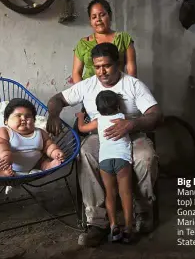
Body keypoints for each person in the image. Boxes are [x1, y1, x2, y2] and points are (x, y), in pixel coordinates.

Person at [47, 42, 162, 247]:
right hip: (99, 137)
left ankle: (143, 212)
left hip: (133, 135)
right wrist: (54, 114)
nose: (102, 72)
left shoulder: (133, 85)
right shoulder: (88, 85)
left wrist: (131, 124)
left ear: (117, 63)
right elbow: (57, 99)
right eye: (98, 66)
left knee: (145, 157)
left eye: (107, 66)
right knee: (86, 153)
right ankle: (97, 222)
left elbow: (155, 115)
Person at [76, 90, 134, 243]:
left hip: (105, 160)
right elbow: (136, 125)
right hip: (122, 158)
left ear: (98, 108)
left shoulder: (98, 120)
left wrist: (80, 117)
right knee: (125, 193)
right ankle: (128, 228)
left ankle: (114, 226)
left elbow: (82, 128)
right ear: (118, 106)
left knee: (110, 194)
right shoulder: (123, 118)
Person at [0, 98, 64, 177]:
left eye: (28, 116)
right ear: (6, 121)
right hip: (7, 164)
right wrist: (5, 154)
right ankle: (4, 173)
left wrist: (55, 152)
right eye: (18, 116)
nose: (23, 119)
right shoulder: (5, 131)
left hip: (35, 163)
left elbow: (49, 146)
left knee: (44, 162)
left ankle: (49, 166)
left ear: (34, 121)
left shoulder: (40, 132)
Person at [72, 0, 137, 84]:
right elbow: (76, 73)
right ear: (90, 21)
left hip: (118, 88)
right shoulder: (83, 44)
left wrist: (126, 90)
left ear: (110, 16)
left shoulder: (123, 39)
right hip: (89, 91)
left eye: (102, 15)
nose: (98, 19)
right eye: (94, 17)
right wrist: (83, 93)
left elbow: (131, 70)